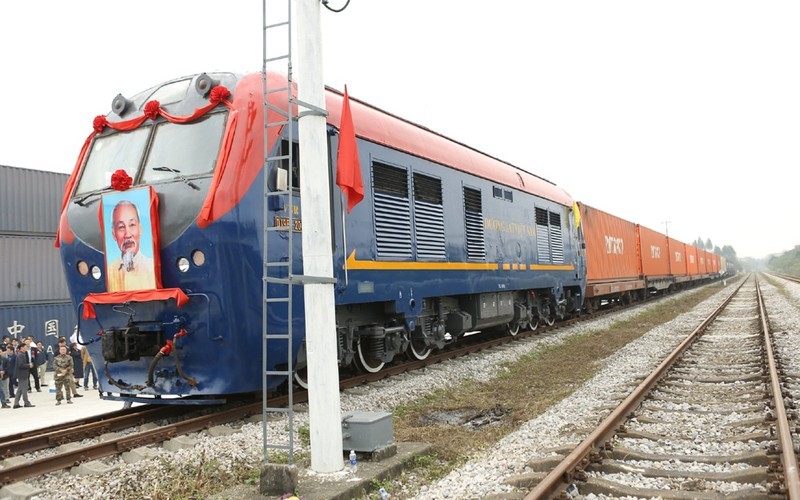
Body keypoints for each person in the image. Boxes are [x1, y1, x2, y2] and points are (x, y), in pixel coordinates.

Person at [106, 200, 156, 292]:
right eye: (121, 227)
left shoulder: (153, 267)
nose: (127, 234)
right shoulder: (109, 271)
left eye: (132, 225)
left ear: (140, 229)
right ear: (114, 234)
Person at [13, 343, 34, 408]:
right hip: (22, 375)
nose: (26, 347)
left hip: (22, 374)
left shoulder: (22, 354)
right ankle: (26, 402)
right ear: (21, 348)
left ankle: (16, 403)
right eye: (25, 346)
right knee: (24, 389)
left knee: (20, 389)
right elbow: (20, 365)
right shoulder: (20, 355)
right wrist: (29, 365)